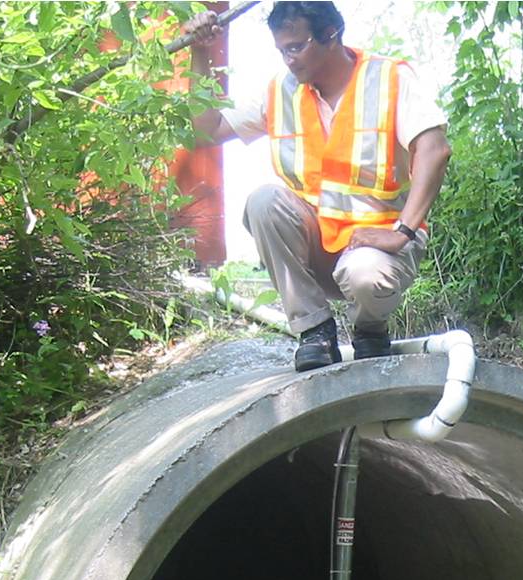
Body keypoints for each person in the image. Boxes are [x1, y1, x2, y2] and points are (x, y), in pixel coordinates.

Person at [183, 1, 452, 371]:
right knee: (263, 201)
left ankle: (370, 330)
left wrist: (401, 232)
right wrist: (201, 53)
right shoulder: (281, 92)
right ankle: (315, 332)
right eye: (282, 50)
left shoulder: (388, 79)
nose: (289, 60)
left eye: (296, 47)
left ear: (330, 34)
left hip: (379, 252)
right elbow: (205, 131)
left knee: (363, 272)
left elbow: (435, 150)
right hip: (319, 249)